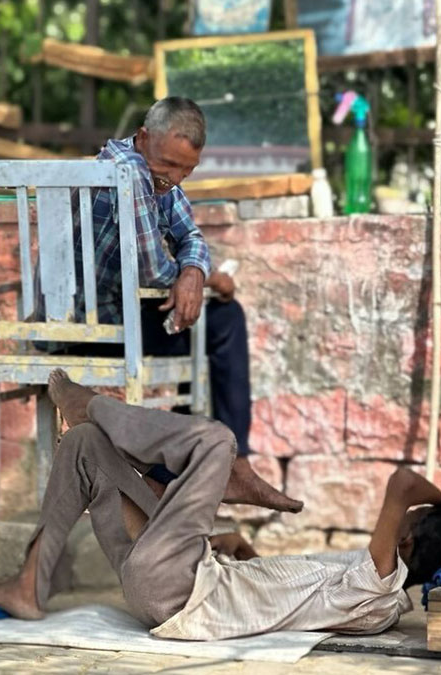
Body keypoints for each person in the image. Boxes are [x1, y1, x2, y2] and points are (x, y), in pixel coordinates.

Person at [0, 370, 441, 638]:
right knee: (86, 448)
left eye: (407, 522)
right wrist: (240, 554)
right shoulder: (370, 599)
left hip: (178, 587)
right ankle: (29, 585)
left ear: (404, 538)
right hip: (176, 583)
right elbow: (293, 600)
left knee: (216, 441)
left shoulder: (380, 587)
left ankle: (91, 404)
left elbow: (402, 482)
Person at [59, 96, 252, 487]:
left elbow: (190, 235)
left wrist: (194, 270)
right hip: (93, 326)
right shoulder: (129, 173)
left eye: (188, 169)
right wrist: (207, 279)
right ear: (143, 137)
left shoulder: (157, 174)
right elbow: (153, 270)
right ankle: (224, 463)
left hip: (114, 319)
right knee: (222, 320)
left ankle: (187, 466)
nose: (177, 179)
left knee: (199, 319)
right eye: (169, 165)